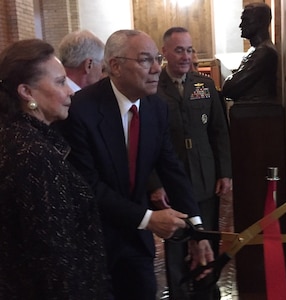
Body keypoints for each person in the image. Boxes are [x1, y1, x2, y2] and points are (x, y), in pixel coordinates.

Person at [59, 29, 214, 300]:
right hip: (94, 239)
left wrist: (197, 229)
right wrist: (149, 219)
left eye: (156, 58)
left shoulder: (156, 107)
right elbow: (87, 185)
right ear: (116, 66)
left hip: (137, 241)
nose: (156, 68)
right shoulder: (80, 110)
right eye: (145, 60)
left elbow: (172, 168)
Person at [0, 39, 109, 299]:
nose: (70, 92)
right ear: (27, 92)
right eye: (60, 82)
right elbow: (54, 258)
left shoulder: (19, 137)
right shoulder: (33, 154)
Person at [150, 26, 232, 300]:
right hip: (172, 183)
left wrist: (225, 173)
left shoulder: (204, 86)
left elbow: (219, 131)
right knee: (177, 243)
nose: (186, 56)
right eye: (179, 50)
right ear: (164, 52)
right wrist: (155, 184)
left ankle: (207, 291)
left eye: (189, 49)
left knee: (208, 238)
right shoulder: (152, 89)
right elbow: (146, 144)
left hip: (205, 177)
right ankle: (180, 293)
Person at [222, 3, 278, 103]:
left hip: (256, 112)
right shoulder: (255, 50)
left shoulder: (264, 52)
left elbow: (230, 87)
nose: (241, 25)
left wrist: (231, 78)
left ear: (260, 22)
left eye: (246, 20)